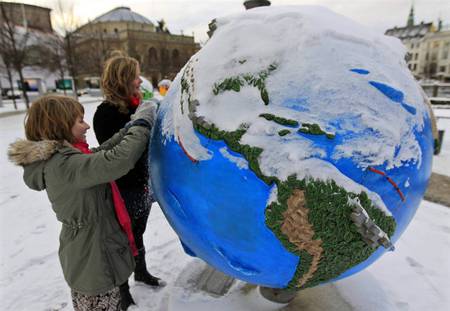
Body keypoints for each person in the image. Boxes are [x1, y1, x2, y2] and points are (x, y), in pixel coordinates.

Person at [8, 95, 156, 311]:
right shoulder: (64, 165)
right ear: (59, 126)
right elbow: (116, 160)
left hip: (90, 256)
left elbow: (102, 152)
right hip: (93, 264)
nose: (86, 125)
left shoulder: (66, 158)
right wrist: (142, 124)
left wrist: (130, 127)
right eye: (79, 121)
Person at [93, 56, 163, 310]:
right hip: (122, 188)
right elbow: (118, 152)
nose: (138, 80)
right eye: (135, 76)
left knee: (139, 233)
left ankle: (141, 272)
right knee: (124, 239)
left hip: (142, 184)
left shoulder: (136, 105)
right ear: (122, 79)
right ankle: (122, 288)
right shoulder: (105, 113)